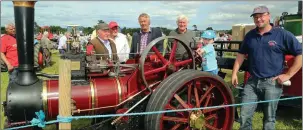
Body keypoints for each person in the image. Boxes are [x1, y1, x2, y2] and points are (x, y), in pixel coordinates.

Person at [231, 6, 302, 130]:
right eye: (256, 17)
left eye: (261, 16)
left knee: (269, 119)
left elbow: (299, 54)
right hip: (252, 82)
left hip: (272, 83)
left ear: (268, 16)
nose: (258, 19)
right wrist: (234, 73)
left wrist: (288, 75)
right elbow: (241, 55)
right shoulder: (250, 36)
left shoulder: (282, 34)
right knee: (244, 115)